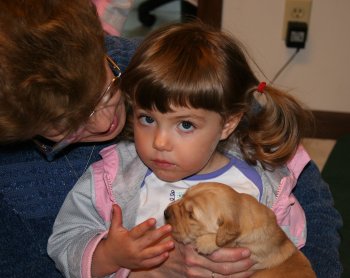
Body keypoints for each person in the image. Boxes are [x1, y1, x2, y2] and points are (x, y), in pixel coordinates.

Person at [0, 1, 343, 277]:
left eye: (106, 92)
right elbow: (65, 242)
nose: (108, 124)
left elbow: (305, 228)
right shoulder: (113, 177)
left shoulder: (167, 73)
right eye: (66, 127)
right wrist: (126, 263)